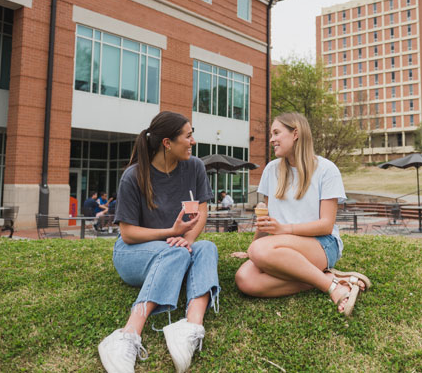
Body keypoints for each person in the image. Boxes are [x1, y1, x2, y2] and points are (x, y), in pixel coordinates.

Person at [98, 111, 218, 373]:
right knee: (174, 253)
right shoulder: (134, 176)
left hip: (176, 249)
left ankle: (191, 326)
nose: (193, 141)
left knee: (207, 247)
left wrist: (186, 239)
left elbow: (202, 212)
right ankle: (127, 335)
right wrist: (171, 232)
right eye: (188, 136)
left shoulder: (194, 166)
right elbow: (128, 233)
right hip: (133, 254)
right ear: (167, 143)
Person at [233, 112, 371, 317]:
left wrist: (280, 232)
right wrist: (251, 249)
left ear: (295, 133)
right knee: (245, 279)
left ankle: (333, 287)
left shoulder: (326, 169)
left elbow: (326, 224)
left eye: (276, 133)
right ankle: (328, 278)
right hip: (279, 246)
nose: (271, 139)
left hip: (322, 243)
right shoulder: (271, 170)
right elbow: (266, 221)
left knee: (260, 250)